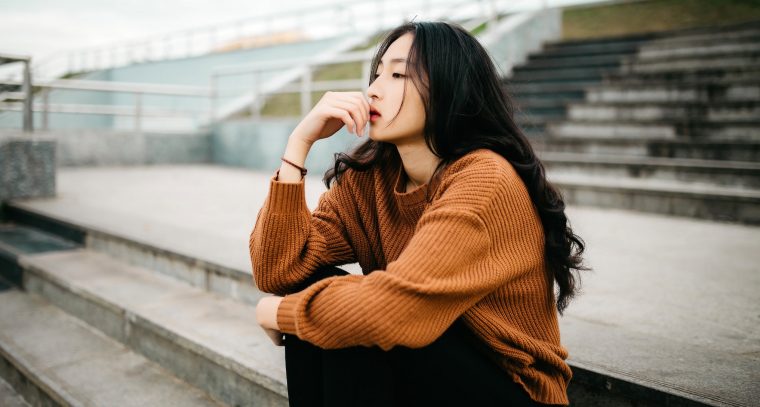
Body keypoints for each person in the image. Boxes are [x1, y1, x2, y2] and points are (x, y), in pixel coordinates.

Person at [249, 20, 588, 407]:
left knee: (359, 316)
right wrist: (298, 145)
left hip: (509, 386)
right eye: (376, 75)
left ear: (449, 89)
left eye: (397, 75)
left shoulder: (485, 179)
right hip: (424, 368)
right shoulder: (371, 179)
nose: (373, 89)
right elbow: (278, 270)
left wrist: (279, 313)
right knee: (325, 294)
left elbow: (398, 310)